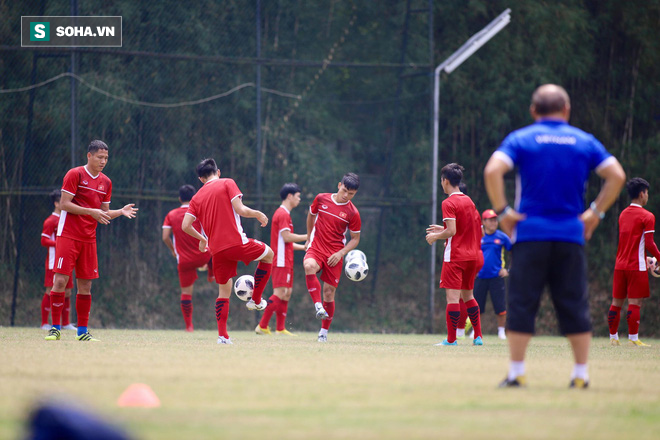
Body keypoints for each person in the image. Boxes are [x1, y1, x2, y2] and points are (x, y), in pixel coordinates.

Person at [484, 84, 625, 388]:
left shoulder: (521, 138)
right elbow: (617, 176)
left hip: (529, 235)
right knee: (574, 303)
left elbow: (493, 170)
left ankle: (517, 372)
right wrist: (595, 213)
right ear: (567, 110)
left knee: (522, 304)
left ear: (534, 111)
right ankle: (580, 375)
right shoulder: (583, 141)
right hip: (570, 236)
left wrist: (504, 210)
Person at [45, 140, 139, 342]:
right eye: (100, 157)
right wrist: (91, 212)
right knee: (60, 281)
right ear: (89, 156)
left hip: (89, 239)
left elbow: (103, 214)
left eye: (106, 158)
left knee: (85, 286)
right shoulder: (75, 174)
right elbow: (64, 204)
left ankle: (82, 331)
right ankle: (55, 328)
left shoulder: (106, 182)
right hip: (68, 234)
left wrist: (120, 212)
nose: (103, 161)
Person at [182, 158, 273, 345]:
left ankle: (223, 336)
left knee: (224, 291)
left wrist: (202, 239)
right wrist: (257, 213)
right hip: (236, 243)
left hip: (216, 250)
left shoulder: (196, 197)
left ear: (200, 179)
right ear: (218, 171)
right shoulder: (227, 182)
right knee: (269, 254)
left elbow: (185, 226)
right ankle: (255, 300)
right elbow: (240, 209)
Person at [426, 163, 484, 346]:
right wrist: (441, 228)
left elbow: (451, 231)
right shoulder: (469, 201)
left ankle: (451, 340)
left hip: (456, 256)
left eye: (441, 180)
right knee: (469, 296)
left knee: (452, 299)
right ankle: (478, 337)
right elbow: (465, 228)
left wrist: (436, 236)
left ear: (445, 181)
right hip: (472, 256)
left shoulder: (448, 202)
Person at [304, 173, 361, 342]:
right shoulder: (321, 199)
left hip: (335, 253)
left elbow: (355, 239)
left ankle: (323, 332)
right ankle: (317, 306)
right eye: (344, 191)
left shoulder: (353, 213)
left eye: (351, 194)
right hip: (317, 247)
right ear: (339, 185)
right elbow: (311, 215)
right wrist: (308, 237)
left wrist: (340, 253)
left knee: (329, 293)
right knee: (308, 266)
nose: (346, 196)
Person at [608, 177, 660, 347]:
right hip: (636, 267)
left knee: (616, 303)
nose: (648, 196)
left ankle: (613, 338)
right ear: (641, 193)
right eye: (647, 192)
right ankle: (633, 339)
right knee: (635, 303)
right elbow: (649, 243)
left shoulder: (623, 214)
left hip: (620, 265)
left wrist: (647, 258)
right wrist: (658, 258)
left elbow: (630, 243)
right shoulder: (647, 216)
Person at [255, 183, 307, 336]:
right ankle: (262, 326)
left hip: (287, 259)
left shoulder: (286, 214)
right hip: (280, 260)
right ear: (289, 196)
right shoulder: (282, 213)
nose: (299, 200)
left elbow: (287, 241)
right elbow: (286, 237)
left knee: (287, 292)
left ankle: (280, 329)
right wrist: (308, 236)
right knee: (280, 292)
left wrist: (303, 247)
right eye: (298, 196)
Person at [162, 184, 215, 332]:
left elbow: (165, 236)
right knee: (214, 251)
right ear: (194, 198)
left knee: (186, 293)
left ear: (179, 198)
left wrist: (173, 251)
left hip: (184, 260)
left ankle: (189, 326)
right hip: (202, 254)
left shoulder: (171, 214)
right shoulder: (199, 212)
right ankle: (211, 273)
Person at [40, 189, 75, 331]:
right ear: (56, 203)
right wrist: (59, 244)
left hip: (67, 260)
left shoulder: (66, 219)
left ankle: (65, 323)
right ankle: (44, 323)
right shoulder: (50, 221)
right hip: (54, 261)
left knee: (67, 292)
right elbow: (44, 240)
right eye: (62, 200)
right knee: (50, 290)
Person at [474, 209, 512, 340]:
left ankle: (501, 332)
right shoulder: (478, 236)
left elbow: (515, 251)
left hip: (497, 277)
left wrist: (508, 269)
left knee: (500, 306)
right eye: (490, 220)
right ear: (483, 222)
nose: (493, 222)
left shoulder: (502, 237)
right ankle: (476, 331)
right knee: (477, 306)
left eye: (495, 220)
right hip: (480, 277)